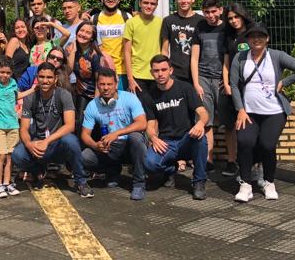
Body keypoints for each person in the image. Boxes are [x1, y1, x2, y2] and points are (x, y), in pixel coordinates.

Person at [229, 23, 295, 203]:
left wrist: (284, 82)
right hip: (248, 111)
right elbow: (233, 84)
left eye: (261, 36)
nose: (256, 39)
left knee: (267, 145)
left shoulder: (276, 55)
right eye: (252, 36)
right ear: (247, 40)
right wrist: (240, 109)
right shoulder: (240, 58)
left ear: (267, 39)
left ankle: (268, 181)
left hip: (274, 111)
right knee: (244, 141)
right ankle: (246, 184)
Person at [11, 63, 93, 197]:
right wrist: (29, 144)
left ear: (55, 79)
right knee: (17, 154)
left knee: (71, 140)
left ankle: (81, 181)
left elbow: (70, 125)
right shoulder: (30, 98)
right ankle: (38, 171)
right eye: (41, 77)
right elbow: (24, 128)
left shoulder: (63, 95)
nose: (45, 80)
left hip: (56, 144)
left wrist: (47, 141)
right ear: (37, 77)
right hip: (37, 145)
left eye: (49, 77)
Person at [142, 55, 209, 200]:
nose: (160, 74)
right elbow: (150, 126)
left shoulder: (185, 88)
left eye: (164, 69)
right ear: (151, 72)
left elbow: (203, 113)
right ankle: (170, 169)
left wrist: (200, 123)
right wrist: (153, 138)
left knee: (201, 137)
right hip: (167, 143)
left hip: (187, 139)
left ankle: (199, 182)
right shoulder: (149, 96)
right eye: (156, 70)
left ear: (170, 70)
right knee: (149, 164)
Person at [80, 67, 148, 200]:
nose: (106, 88)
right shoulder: (92, 105)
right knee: (84, 156)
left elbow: (142, 123)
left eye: (109, 84)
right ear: (98, 85)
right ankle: (113, 172)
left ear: (116, 84)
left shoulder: (130, 98)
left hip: (129, 144)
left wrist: (117, 133)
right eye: (102, 84)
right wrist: (95, 145)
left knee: (136, 138)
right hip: (111, 146)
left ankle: (139, 183)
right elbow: (84, 134)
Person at [191, 0, 228, 173]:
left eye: (214, 11)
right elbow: (194, 56)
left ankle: (232, 160)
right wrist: (196, 82)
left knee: (229, 122)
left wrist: (228, 81)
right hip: (203, 78)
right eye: (207, 12)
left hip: (222, 79)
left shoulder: (227, 27)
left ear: (220, 10)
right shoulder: (200, 26)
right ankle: (208, 159)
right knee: (207, 121)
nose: (210, 15)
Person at [0, 55, 31, 198]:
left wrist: (33, 89)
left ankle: (7, 182)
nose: (5, 75)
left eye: (8, 72)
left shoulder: (13, 83)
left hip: (12, 125)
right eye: (2, 72)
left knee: (10, 156)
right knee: (0, 155)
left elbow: (17, 96)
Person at [220, 2, 254, 177]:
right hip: (231, 87)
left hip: (250, 88)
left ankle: (249, 162)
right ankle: (231, 161)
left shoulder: (253, 33)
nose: (233, 21)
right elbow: (226, 64)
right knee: (229, 126)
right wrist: (226, 85)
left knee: (248, 125)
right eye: (230, 18)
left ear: (243, 16)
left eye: (236, 17)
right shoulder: (228, 37)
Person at [65, 21, 112, 127]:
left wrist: (95, 102)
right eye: (81, 30)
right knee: (76, 121)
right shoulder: (73, 49)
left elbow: (98, 81)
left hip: (92, 94)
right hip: (78, 92)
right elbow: (68, 71)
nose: (83, 34)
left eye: (88, 33)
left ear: (92, 37)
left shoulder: (94, 55)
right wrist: (72, 52)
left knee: (84, 122)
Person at [123, 0, 162, 95]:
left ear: (156, 5)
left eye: (152, 4)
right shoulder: (131, 23)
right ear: (140, 3)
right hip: (137, 76)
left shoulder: (161, 22)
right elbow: (127, 51)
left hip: (157, 74)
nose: (149, 6)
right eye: (145, 3)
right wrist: (130, 78)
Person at [161, 0, 203, 83]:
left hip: (198, 73)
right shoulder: (168, 21)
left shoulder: (201, 21)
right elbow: (164, 50)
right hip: (175, 73)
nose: (184, 1)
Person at [95, 0, 132, 89]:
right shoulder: (94, 19)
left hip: (123, 70)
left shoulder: (127, 17)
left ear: (119, 0)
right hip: (102, 70)